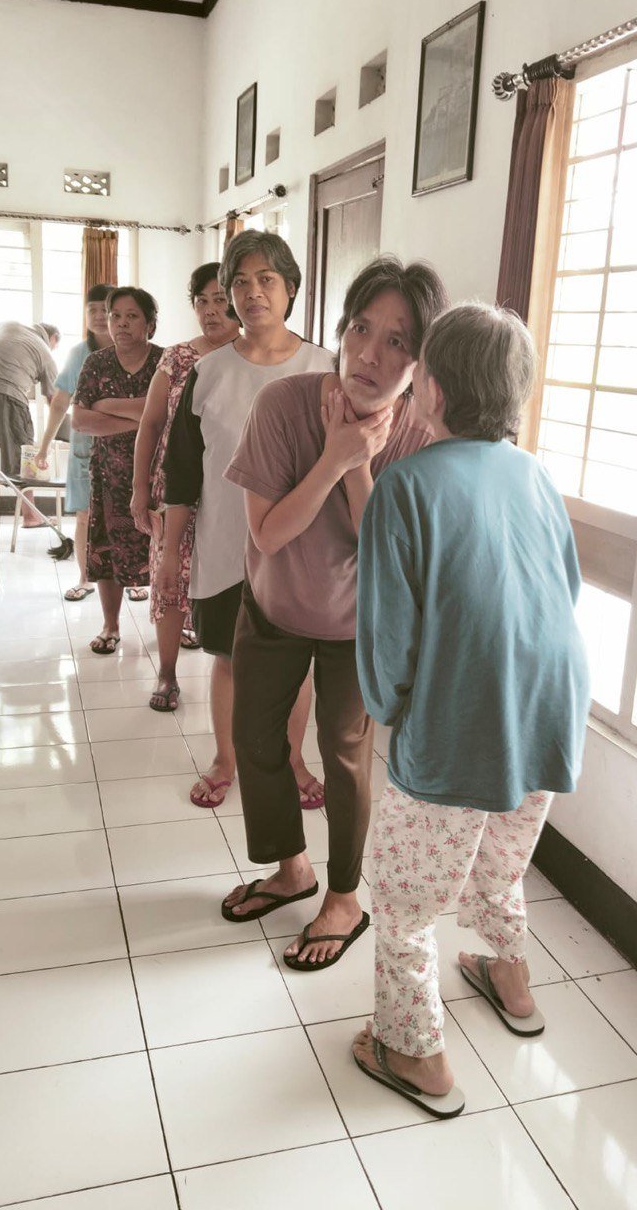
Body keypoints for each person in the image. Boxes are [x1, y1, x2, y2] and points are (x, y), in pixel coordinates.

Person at [350, 304, 591, 1118]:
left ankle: (413, 1052)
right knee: (501, 858)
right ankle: (510, 981)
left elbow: (387, 637)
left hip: (461, 721)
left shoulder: (404, 485)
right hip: (548, 709)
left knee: (404, 904)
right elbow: (565, 587)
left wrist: (393, 714)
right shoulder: (533, 474)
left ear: (432, 387)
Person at [220, 256, 448, 973]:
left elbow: (386, 555)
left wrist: (357, 465)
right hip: (273, 607)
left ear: (420, 360)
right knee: (256, 739)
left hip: (357, 625)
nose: (369, 355)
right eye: (360, 329)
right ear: (342, 330)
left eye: (397, 341)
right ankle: (292, 870)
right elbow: (268, 534)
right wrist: (332, 457)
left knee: (345, 758)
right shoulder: (282, 406)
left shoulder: (418, 435)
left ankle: (345, 899)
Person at [162, 231, 330, 807]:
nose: (252, 292)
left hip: (300, 552)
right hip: (224, 545)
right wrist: (169, 554)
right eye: (240, 282)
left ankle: (293, 760)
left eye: (266, 279)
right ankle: (225, 759)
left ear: (291, 289)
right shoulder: (207, 373)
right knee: (229, 659)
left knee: (295, 666)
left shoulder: (324, 369)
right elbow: (183, 474)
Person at [131, 263, 240, 711]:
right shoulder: (176, 358)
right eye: (201, 301)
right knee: (170, 575)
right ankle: (167, 673)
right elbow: (151, 423)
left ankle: (232, 671)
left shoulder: (252, 357)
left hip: (231, 491)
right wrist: (140, 489)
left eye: (219, 300)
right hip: (174, 488)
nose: (210, 311)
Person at [72, 287, 163, 654]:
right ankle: (111, 625)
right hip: (109, 477)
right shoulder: (96, 363)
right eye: (115, 316)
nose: (121, 323)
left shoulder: (165, 362)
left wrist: (108, 405)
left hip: (160, 477)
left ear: (150, 324)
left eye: (132, 316)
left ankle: (179, 624)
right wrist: (143, 416)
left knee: (167, 550)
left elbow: (170, 414)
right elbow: (80, 420)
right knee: (107, 553)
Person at [35, 283, 113, 600]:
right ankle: (85, 577)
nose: (98, 316)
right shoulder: (78, 354)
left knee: (128, 514)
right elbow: (59, 403)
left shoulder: (133, 350)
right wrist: (43, 447)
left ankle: (134, 579)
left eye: (105, 310)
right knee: (84, 515)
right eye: (92, 310)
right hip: (86, 449)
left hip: (126, 448)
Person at [0, 319, 60, 526]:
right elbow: (55, 401)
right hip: (8, 396)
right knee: (23, 459)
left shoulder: (7, 325)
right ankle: (31, 516)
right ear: (53, 338)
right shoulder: (45, 352)